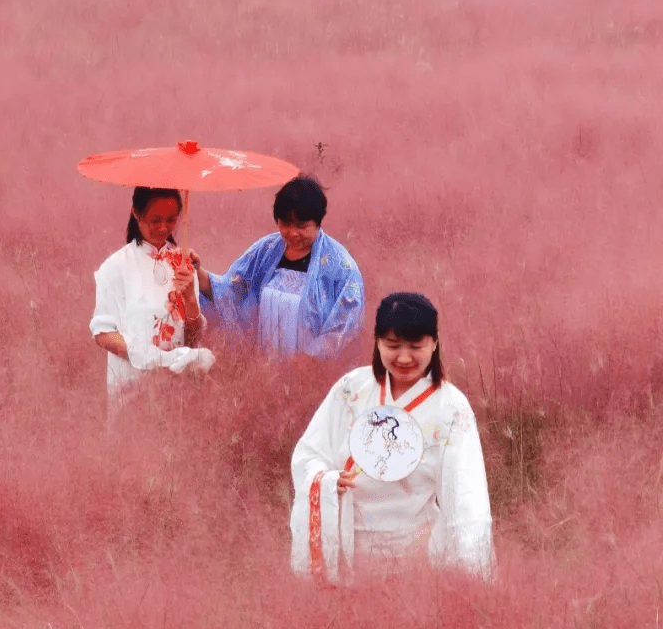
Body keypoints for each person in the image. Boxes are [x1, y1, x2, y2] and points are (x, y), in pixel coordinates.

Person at [288, 292, 493, 584]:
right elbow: (309, 453)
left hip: (414, 552)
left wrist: (470, 571)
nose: (404, 357)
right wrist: (325, 479)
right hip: (347, 544)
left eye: (416, 346)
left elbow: (466, 497)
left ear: (434, 343)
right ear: (377, 342)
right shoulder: (351, 388)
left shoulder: (451, 408)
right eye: (393, 345)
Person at [194, 176, 364, 358]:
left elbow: (345, 326)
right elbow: (231, 291)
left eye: (302, 226)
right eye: (285, 223)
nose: (292, 233)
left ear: (318, 222)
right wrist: (196, 272)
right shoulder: (266, 250)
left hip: (308, 370)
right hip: (263, 365)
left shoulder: (341, 267)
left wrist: (308, 362)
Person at [90, 187, 215, 402]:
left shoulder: (183, 266)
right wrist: (153, 359)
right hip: (131, 385)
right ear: (136, 213)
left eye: (171, 219)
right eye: (155, 220)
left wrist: (190, 300)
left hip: (177, 389)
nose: (163, 227)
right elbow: (102, 333)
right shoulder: (115, 267)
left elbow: (192, 340)